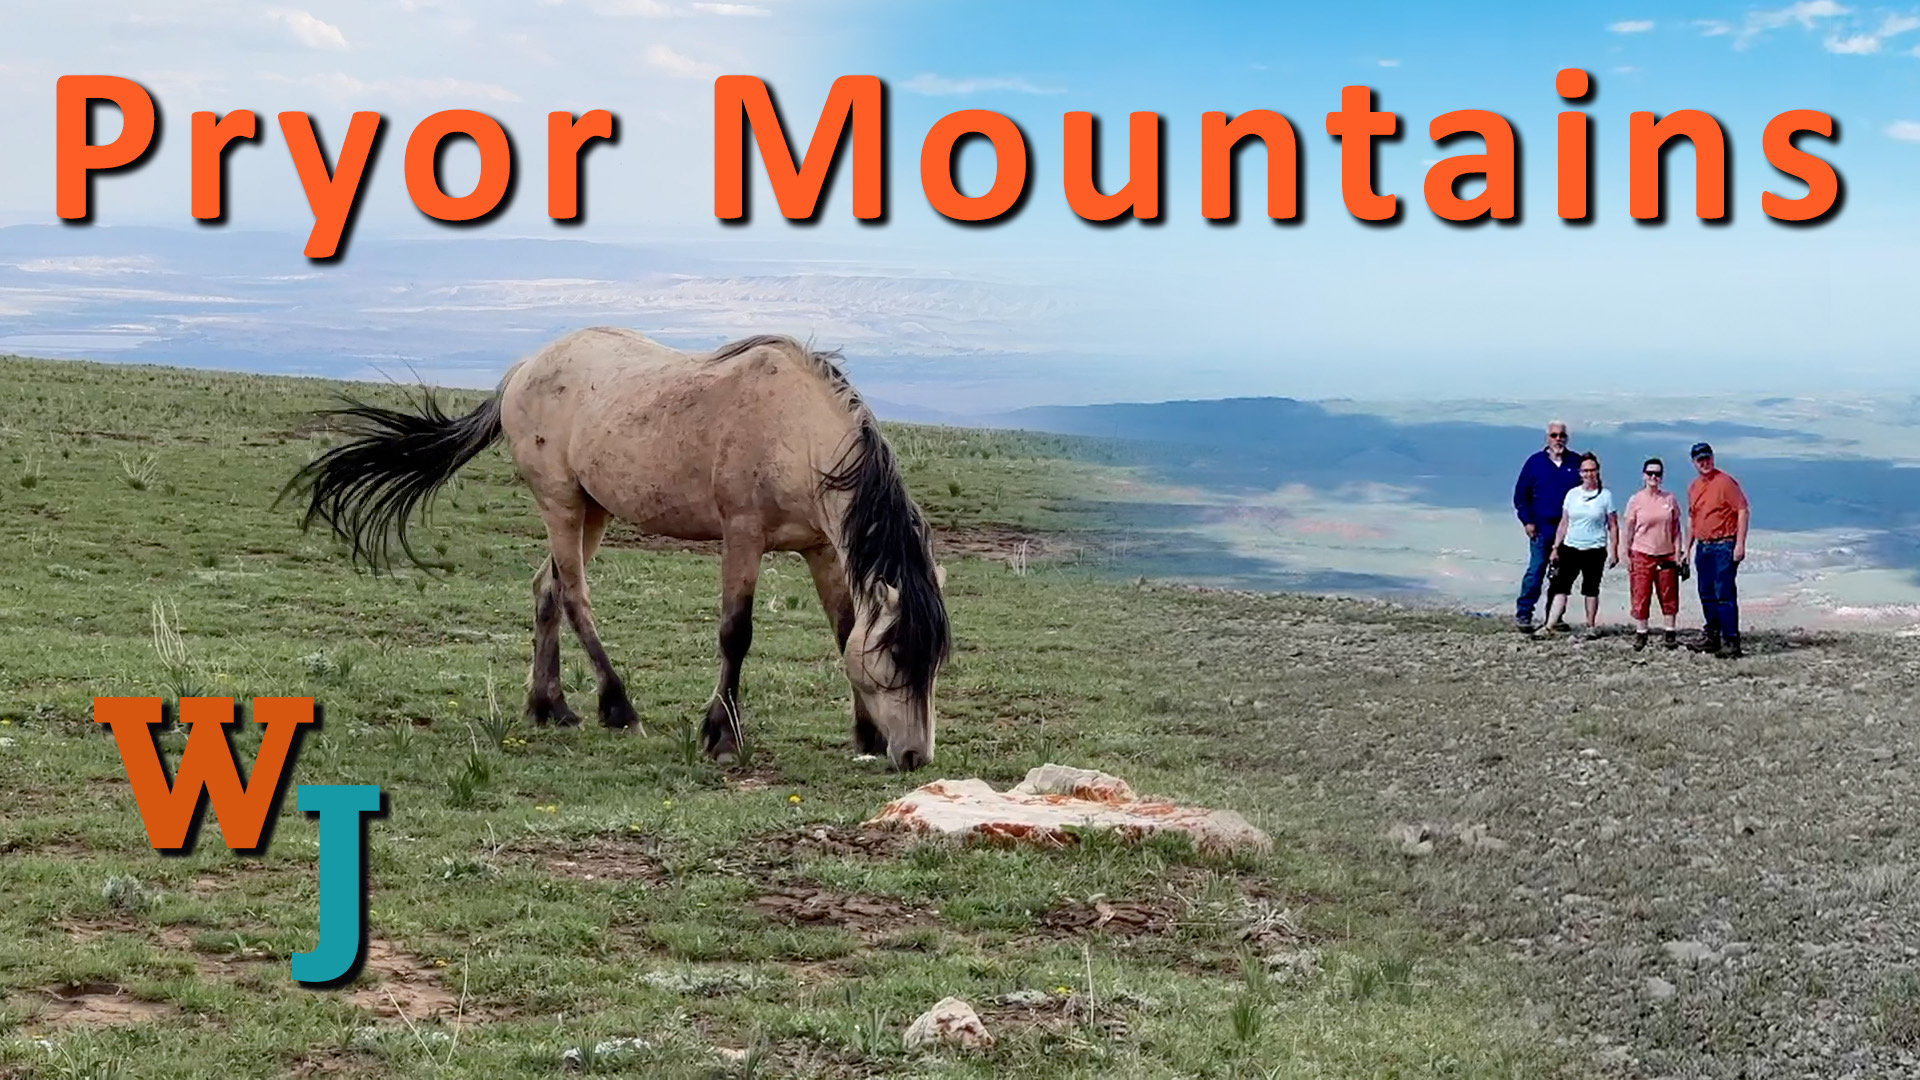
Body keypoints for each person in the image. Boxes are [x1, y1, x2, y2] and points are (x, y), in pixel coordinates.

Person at [1512, 420, 1583, 632]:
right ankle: (1524, 613)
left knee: (1562, 576)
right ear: (1547, 438)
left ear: (1567, 438)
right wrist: (1527, 521)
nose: (1558, 439)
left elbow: (1587, 492)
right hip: (1541, 528)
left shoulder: (1576, 462)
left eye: (1561, 435)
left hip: (1569, 531)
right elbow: (1520, 495)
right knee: (1536, 571)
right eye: (1554, 435)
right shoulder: (1535, 463)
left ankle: (1554, 618)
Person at [1685, 442, 1750, 659]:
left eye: (1707, 458)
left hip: (1724, 544)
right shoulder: (1694, 487)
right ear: (1694, 462)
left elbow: (1742, 510)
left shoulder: (1725, 482)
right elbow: (1692, 518)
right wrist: (1687, 548)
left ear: (1712, 457)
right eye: (1699, 460)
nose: (1704, 463)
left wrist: (1740, 543)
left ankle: (1731, 640)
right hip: (1703, 546)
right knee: (1706, 592)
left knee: (1724, 593)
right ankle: (1712, 634)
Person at [1542, 452, 1618, 636]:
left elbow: (1613, 526)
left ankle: (1590, 626)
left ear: (1597, 471)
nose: (1589, 474)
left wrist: (1614, 551)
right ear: (1580, 472)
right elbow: (1564, 522)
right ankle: (1549, 626)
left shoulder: (1605, 496)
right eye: (1585, 470)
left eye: (1592, 470)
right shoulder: (1572, 494)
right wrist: (1555, 547)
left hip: (1595, 549)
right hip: (1570, 547)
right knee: (1561, 586)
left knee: (1591, 589)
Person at [1622, 457, 1685, 651]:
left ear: (1662, 476)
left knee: (1669, 593)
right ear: (1643, 476)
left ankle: (1670, 632)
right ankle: (1641, 632)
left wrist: (1678, 552)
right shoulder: (1635, 500)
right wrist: (1625, 552)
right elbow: (1629, 529)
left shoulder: (1670, 499)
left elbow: (1676, 529)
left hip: (1666, 554)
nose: (1653, 477)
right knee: (1641, 592)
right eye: (1650, 473)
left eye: (1657, 473)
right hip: (1642, 552)